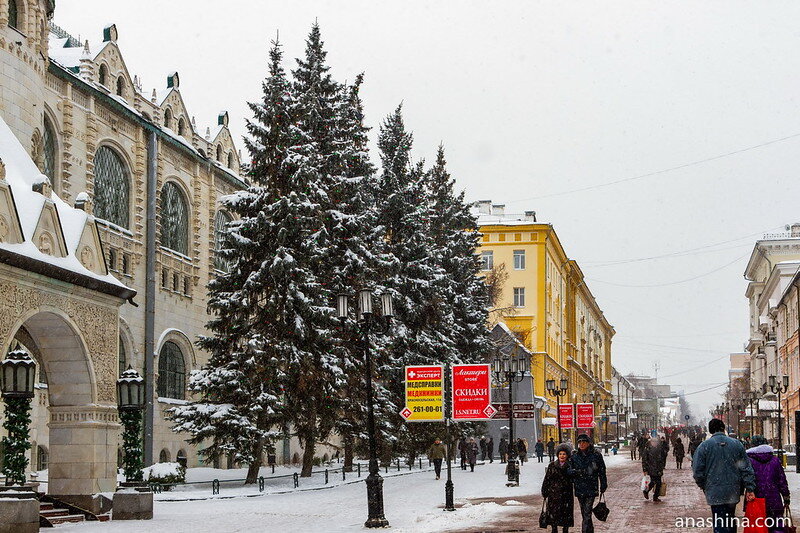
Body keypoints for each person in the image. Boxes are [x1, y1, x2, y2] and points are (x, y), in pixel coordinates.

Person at [692, 419, 756, 533]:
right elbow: (746, 468)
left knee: (719, 521)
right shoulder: (736, 444)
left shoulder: (704, 446)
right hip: (733, 489)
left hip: (714, 490)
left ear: (711, 430)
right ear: (723, 428)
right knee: (730, 519)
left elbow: (697, 471)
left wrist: (704, 485)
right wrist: (749, 487)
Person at [746, 435, 790, 533]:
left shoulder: (749, 461)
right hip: (774, 498)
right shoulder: (775, 460)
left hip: (756, 499)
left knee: (758, 527)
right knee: (776, 526)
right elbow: (782, 480)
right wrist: (786, 496)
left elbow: (747, 479)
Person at [568, 434, 607, 533]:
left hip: (591, 487)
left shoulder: (596, 455)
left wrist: (603, 484)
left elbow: (602, 470)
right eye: (579, 442)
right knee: (584, 512)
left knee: (587, 512)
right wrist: (576, 472)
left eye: (584, 442)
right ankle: (590, 530)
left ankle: (585, 531)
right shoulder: (574, 456)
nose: (581, 444)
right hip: (579, 487)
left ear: (588, 443)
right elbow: (569, 470)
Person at [541, 443, 574, 533]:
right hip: (554, 494)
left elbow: (574, 478)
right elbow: (547, 478)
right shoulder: (552, 465)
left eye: (564, 454)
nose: (562, 456)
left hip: (566, 494)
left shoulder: (570, 466)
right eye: (560, 454)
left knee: (566, 513)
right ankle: (554, 528)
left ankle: (565, 529)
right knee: (554, 513)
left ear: (567, 455)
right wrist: (545, 490)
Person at [642, 436, 665, 502]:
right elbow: (644, 460)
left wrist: (662, 466)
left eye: (655, 442)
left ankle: (655, 496)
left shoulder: (659, 449)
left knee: (659, 483)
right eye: (653, 442)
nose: (654, 443)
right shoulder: (647, 449)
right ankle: (648, 492)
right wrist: (645, 469)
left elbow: (662, 458)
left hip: (658, 468)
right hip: (651, 468)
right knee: (654, 482)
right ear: (651, 442)